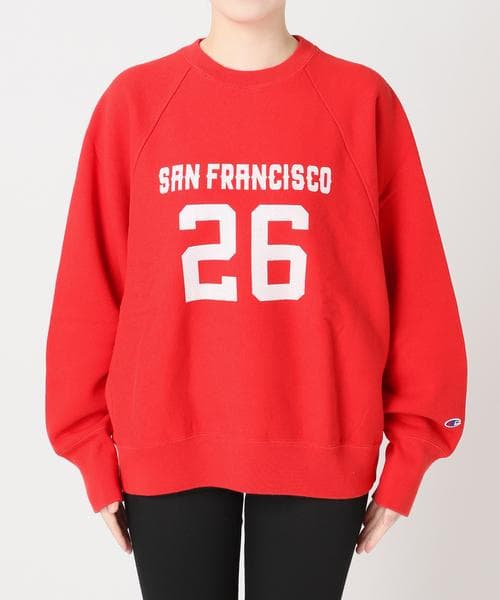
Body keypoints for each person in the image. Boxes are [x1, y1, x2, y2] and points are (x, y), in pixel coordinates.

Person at [44, 1, 468, 598]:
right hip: (168, 440)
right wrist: (89, 447)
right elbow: (88, 290)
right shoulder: (134, 103)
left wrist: (413, 451)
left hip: (320, 440)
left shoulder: (360, 101)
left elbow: (418, 288)